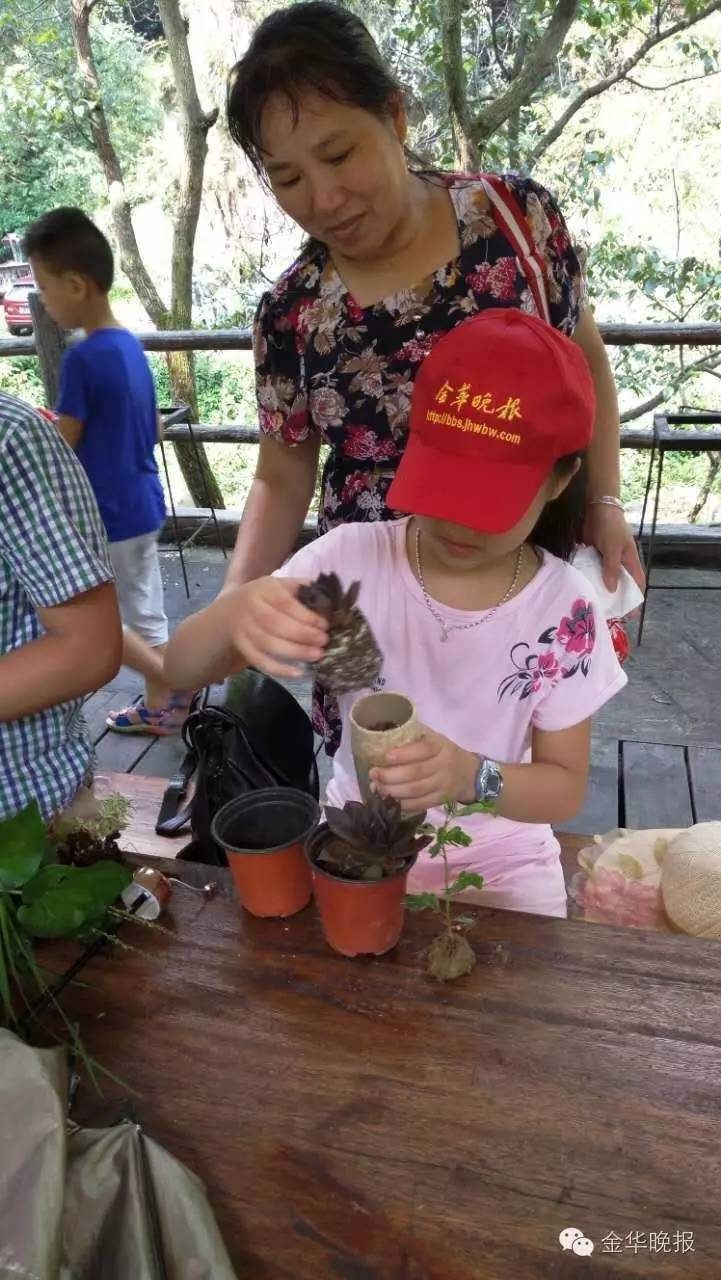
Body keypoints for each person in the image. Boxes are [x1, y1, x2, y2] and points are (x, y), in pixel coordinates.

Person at [221, 0, 642, 757]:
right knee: (374, 790)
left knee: (520, 776)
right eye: (286, 177)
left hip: (517, 577)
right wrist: (230, 615)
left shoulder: (515, 221)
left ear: (394, 115)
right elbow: (280, 478)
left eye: (340, 153)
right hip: (370, 605)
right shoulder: (292, 313)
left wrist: (603, 499)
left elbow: (583, 365)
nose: (322, 199)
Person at [165, 310, 628, 917]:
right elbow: (178, 667)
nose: (459, 521)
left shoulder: (563, 608)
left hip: (504, 860)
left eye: (488, 501)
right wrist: (237, 613)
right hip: (358, 848)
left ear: (562, 477)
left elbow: (563, 787)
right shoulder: (350, 562)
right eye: (446, 485)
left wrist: (471, 776)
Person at [24, 207, 189, 735]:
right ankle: (160, 703)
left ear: (75, 285)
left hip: (104, 512)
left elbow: (63, 443)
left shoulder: (83, 358)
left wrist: (42, 433)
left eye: (46, 291)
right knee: (145, 607)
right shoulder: (130, 346)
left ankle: (170, 681)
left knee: (99, 622)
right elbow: (153, 427)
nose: (45, 304)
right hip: (143, 501)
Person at [0, 390, 122, 822]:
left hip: (23, 816)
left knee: (143, 612)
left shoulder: (13, 434)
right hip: (122, 502)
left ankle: (166, 695)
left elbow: (90, 647)